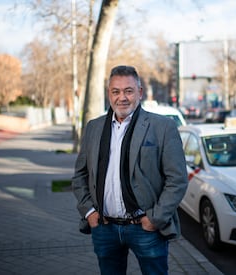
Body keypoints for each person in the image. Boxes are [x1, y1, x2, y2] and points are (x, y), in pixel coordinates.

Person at [72, 65, 188, 275]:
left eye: (128, 91)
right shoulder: (94, 127)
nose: (122, 98)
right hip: (104, 227)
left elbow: (177, 180)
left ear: (140, 93)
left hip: (145, 229)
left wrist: (155, 219)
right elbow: (80, 175)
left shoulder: (162, 127)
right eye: (116, 91)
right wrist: (89, 211)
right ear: (109, 94)